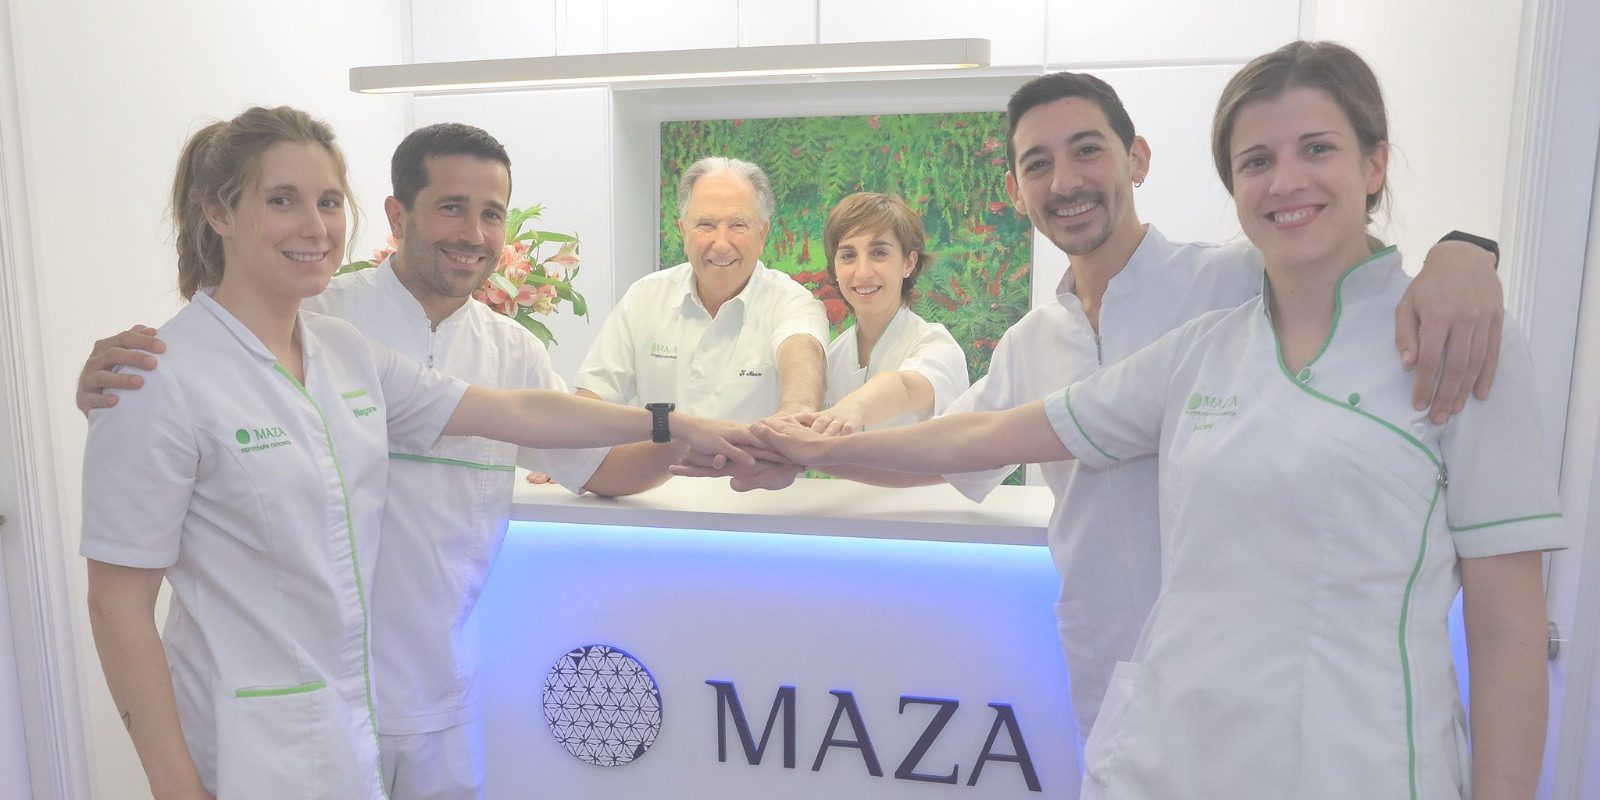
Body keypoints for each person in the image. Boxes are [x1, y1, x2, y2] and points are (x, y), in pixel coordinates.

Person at [751, 41, 1562, 799]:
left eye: (1317, 149)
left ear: (1375, 162)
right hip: (1161, 736)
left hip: (1355, 757)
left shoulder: (1429, 336)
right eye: (1256, 161)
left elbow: (1509, 632)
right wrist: (793, 449)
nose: (1285, 182)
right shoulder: (1197, 349)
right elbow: (978, 438)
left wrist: (1467, 251)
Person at [79, 106, 755, 800]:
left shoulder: (342, 353)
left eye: (328, 202)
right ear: (218, 212)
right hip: (253, 737)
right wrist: (173, 786)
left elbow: (515, 411)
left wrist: (674, 425)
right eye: (282, 200)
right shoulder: (160, 374)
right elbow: (117, 605)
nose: (314, 227)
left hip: (378, 716)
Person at [573, 156, 829, 422]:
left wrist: (795, 412)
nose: (721, 244)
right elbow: (593, 397)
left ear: (762, 234)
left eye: (738, 225)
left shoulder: (792, 302)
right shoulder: (645, 297)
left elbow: (802, 358)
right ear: (684, 232)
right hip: (656, 452)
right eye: (706, 225)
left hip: (756, 451)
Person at [805, 192, 969, 435]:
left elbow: (905, 388)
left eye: (879, 253)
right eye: (848, 256)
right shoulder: (832, 358)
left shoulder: (936, 347)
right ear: (835, 269)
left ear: (908, 263)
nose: (862, 272)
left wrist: (854, 407)